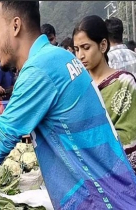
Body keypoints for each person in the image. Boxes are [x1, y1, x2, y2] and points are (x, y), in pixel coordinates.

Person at [0, 1, 136, 210]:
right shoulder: (57, 56)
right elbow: (9, 120)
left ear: (16, 25)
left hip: (102, 198)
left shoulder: (38, 70)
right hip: (117, 190)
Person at [73, 15, 136, 172]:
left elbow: (129, 137)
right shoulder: (78, 87)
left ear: (102, 45)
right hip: (87, 174)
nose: (80, 55)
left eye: (86, 48)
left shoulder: (124, 83)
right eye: (76, 49)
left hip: (120, 175)